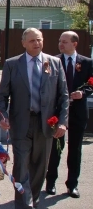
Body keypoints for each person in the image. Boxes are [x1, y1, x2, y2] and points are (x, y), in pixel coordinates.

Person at [0, 28, 68, 209]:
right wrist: (2, 117)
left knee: (40, 166)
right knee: (21, 164)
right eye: (32, 41)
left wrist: (62, 122)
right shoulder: (12, 64)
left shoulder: (55, 63)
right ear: (23, 43)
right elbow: (2, 96)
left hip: (46, 124)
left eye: (39, 40)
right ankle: (23, 204)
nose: (36, 43)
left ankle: (33, 199)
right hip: (21, 123)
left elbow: (63, 96)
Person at [46, 31, 93, 198]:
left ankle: (72, 184)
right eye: (60, 41)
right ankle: (50, 182)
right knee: (55, 149)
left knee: (75, 150)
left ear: (75, 44)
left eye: (64, 41)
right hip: (58, 113)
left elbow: (91, 82)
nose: (61, 44)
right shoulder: (52, 61)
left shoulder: (86, 63)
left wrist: (84, 93)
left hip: (78, 113)